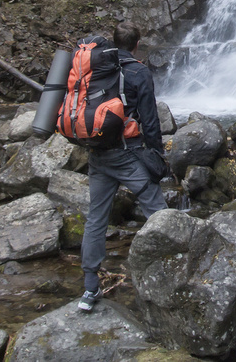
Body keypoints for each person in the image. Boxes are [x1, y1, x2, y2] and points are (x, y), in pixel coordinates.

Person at [78, 21, 166, 312]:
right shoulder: (138, 71)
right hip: (128, 155)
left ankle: (90, 289)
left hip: (98, 154)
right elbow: (150, 120)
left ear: (114, 42)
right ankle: (172, 274)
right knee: (157, 211)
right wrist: (156, 155)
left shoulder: (97, 69)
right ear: (137, 44)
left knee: (96, 219)